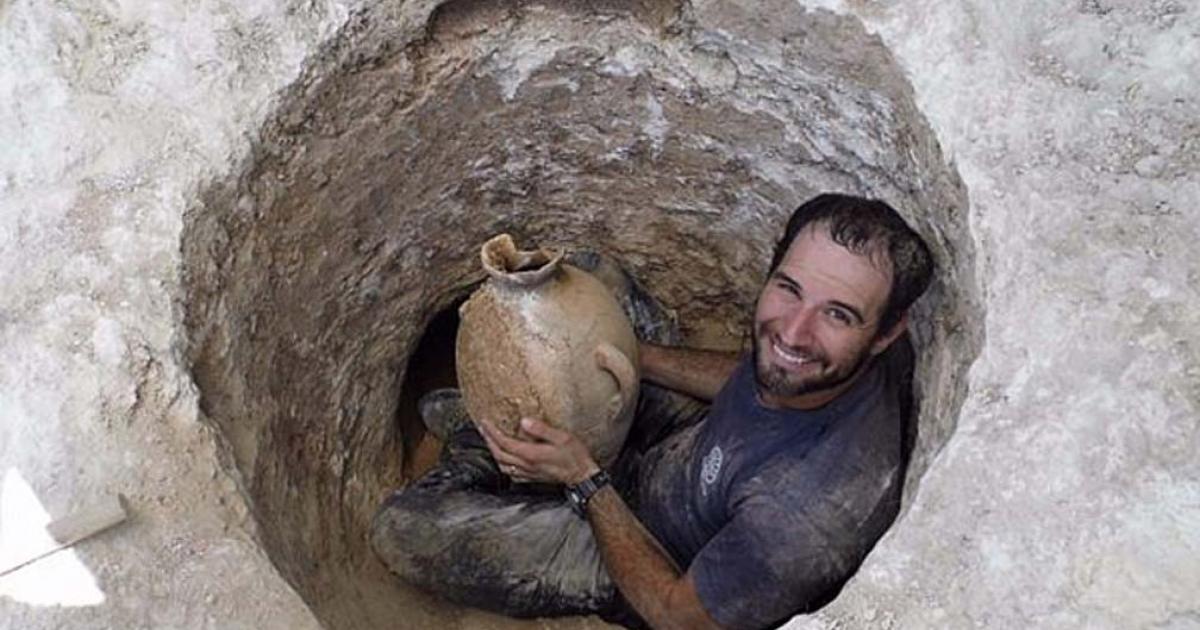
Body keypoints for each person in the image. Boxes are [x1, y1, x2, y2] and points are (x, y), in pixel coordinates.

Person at [372, 193, 934, 629]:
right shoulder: (840, 360)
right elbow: (761, 374)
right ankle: (517, 436)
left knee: (404, 529)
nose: (794, 329)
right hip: (689, 447)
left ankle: (485, 454)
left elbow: (676, 616)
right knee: (588, 278)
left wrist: (583, 479)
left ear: (887, 332)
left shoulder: (798, 522)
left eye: (837, 315)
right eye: (789, 289)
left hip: (647, 554)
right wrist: (628, 354)